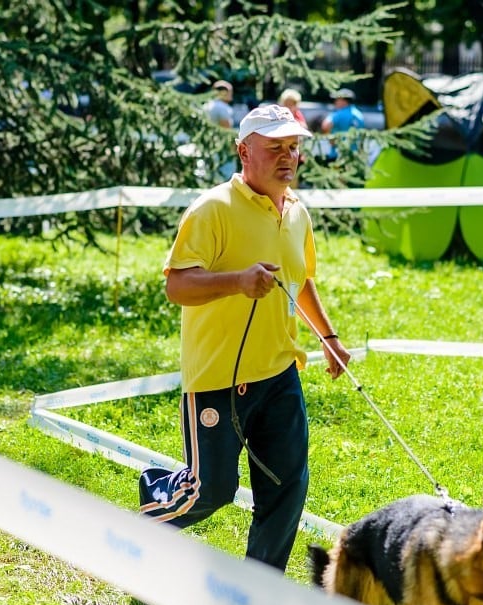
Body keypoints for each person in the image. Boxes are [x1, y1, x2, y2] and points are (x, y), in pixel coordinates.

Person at [138, 104, 352, 572]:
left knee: (286, 489)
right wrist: (236, 281)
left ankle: (257, 593)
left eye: (293, 148)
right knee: (210, 491)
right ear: (243, 151)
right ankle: (146, 516)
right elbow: (177, 284)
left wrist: (327, 335)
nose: (287, 157)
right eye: (274, 148)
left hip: (279, 372)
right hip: (218, 379)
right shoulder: (212, 209)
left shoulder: (297, 211)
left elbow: (300, 279)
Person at [320, 88, 365, 162]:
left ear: (343, 101)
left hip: (338, 155)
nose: (335, 102)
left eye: (337, 99)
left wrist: (331, 139)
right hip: (354, 156)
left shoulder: (338, 114)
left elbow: (325, 126)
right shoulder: (359, 115)